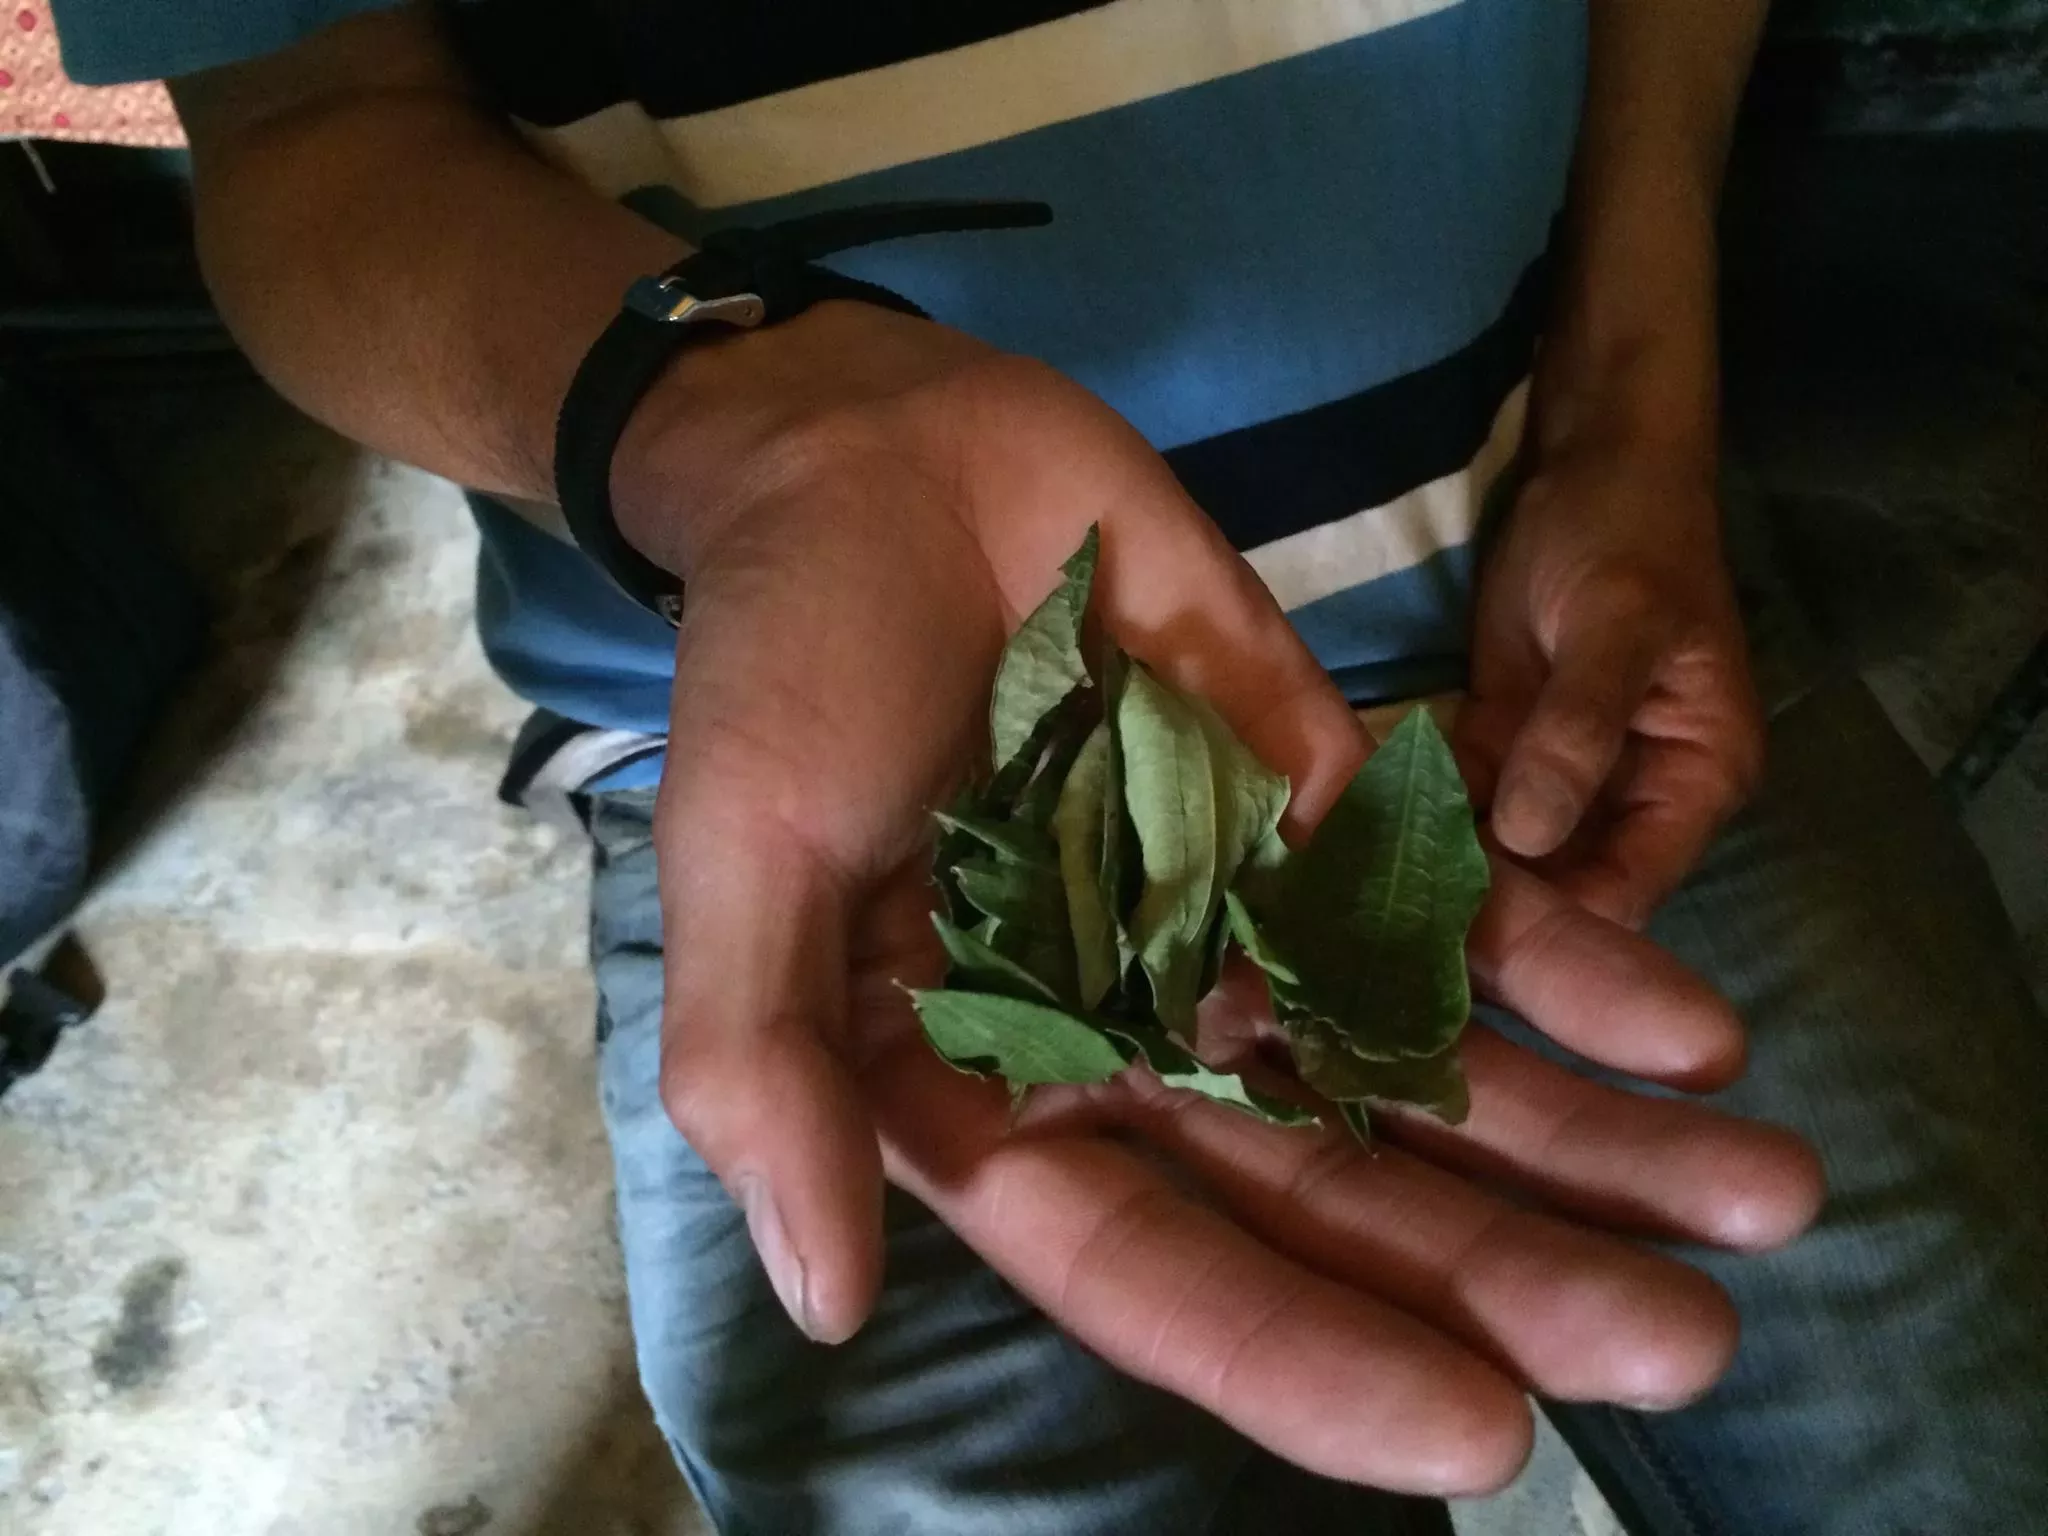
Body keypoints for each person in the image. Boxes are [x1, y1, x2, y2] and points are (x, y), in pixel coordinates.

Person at [49, 1, 2048, 1530]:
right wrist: (765, 438)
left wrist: (1639, 393)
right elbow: (303, 122)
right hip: (825, 759)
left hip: (1543, 611)